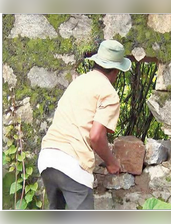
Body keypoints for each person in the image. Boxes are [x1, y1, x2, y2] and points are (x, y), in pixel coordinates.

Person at [37, 40, 132, 209]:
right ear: (116, 71)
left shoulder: (79, 82)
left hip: (47, 157)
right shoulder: (108, 92)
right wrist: (111, 162)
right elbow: (96, 136)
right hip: (72, 163)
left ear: (96, 62)